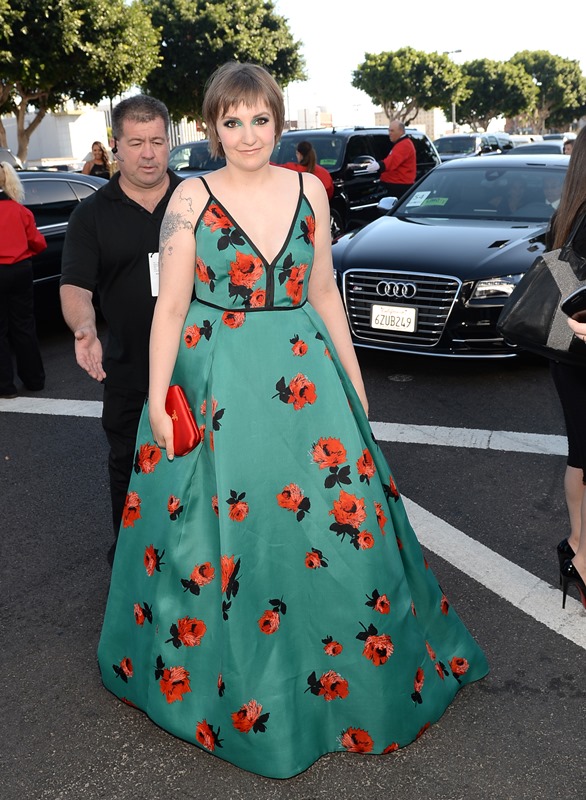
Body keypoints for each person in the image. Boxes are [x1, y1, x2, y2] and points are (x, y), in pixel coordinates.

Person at [97, 62, 488, 780]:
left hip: (308, 378)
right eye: (232, 121)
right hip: (217, 381)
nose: (247, 135)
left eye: (260, 119)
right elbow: (171, 308)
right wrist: (158, 399)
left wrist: (355, 381)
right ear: (212, 129)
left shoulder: (310, 188)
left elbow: (325, 291)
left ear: (279, 123)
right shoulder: (191, 196)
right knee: (226, 529)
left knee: (337, 524)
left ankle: (353, 674)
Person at [60, 95, 183, 564]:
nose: (148, 154)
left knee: (206, 467)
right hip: (130, 371)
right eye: (136, 143)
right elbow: (75, 286)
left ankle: (199, 566)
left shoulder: (196, 199)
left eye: (157, 141)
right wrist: (84, 329)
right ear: (116, 146)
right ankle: (132, 561)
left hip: (202, 364)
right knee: (129, 468)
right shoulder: (91, 215)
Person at [544, 126, 586, 608]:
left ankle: (576, 545)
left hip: (566, 353)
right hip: (582, 352)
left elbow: (560, 274)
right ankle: (580, 554)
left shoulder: (567, 212)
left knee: (581, 454)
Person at [0, 161, 47, 399]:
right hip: (21, 269)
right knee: (24, 325)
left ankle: (5, 386)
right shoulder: (20, 211)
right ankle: (34, 380)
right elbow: (38, 242)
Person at [375, 119, 417, 199]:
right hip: (395, 185)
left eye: (392, 131)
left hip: (398, 187)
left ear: (401, 131)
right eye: (389, 131)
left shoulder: (404, 145)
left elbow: (392, 162)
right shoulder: (401, 144)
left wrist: (378, 165)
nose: (389, 133)